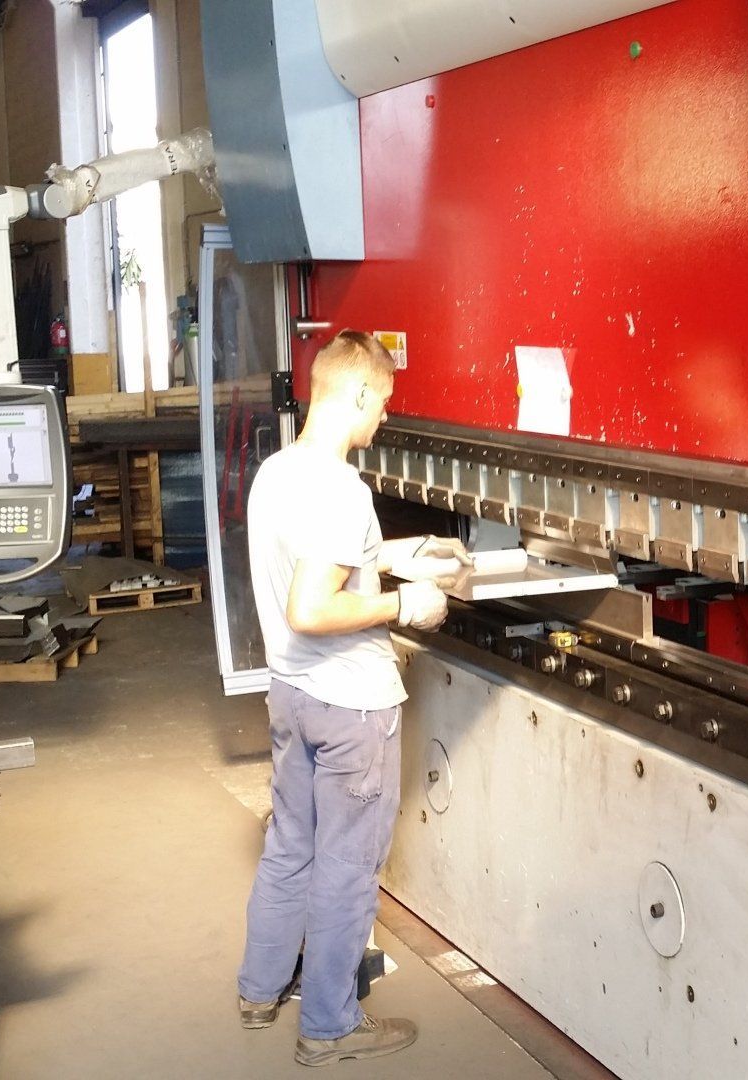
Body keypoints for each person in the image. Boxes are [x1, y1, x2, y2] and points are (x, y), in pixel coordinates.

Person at [235, 329, 470, 1066]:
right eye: (385, 401)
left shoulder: (279, 471)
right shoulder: (342, 489)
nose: (386, 416)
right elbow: (312, 605)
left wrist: (410, 554)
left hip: (291, 694)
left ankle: (259, 990)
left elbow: (318, 557)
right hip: (349, 708)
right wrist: (407, 606)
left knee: (290, 844)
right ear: (360, 392)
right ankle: (329, 1028)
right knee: (345, 867)